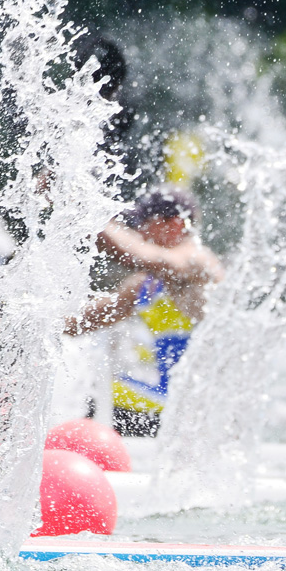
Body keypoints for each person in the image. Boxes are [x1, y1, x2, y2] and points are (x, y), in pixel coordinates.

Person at [70, 186, 223, 437]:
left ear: (176, 224)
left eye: (144, 222)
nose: (139, 231)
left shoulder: (200, 264)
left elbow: (140, 255)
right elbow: (82, 322)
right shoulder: (146, 283)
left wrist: (83, 208)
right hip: (137, 408)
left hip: (181, 416)